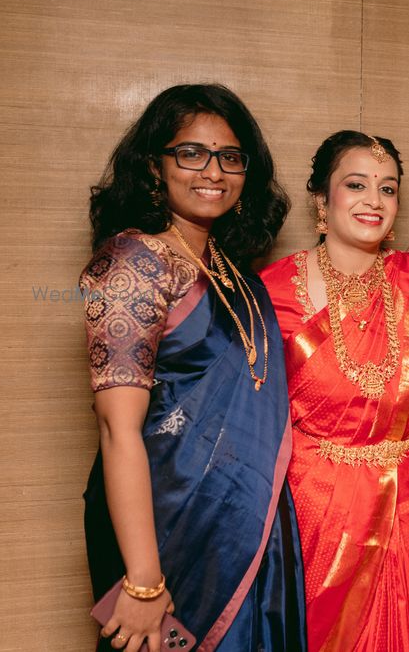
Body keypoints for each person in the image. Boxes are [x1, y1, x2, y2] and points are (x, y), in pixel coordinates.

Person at [80, 84, 305, 651]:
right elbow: (116, 428)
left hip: (246, 526)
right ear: (153, 167)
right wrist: (143, 580)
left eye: (230, 157)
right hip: (162, 528)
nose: (213, 171)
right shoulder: (135, 262)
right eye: (191, 153)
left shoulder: (231, 271)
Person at [261, 131, 409, 651]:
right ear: (322, 201)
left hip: (405, 503)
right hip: (314, 507)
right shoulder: (272, 291)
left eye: (387, 189)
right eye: (356, 185)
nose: (374, 200)